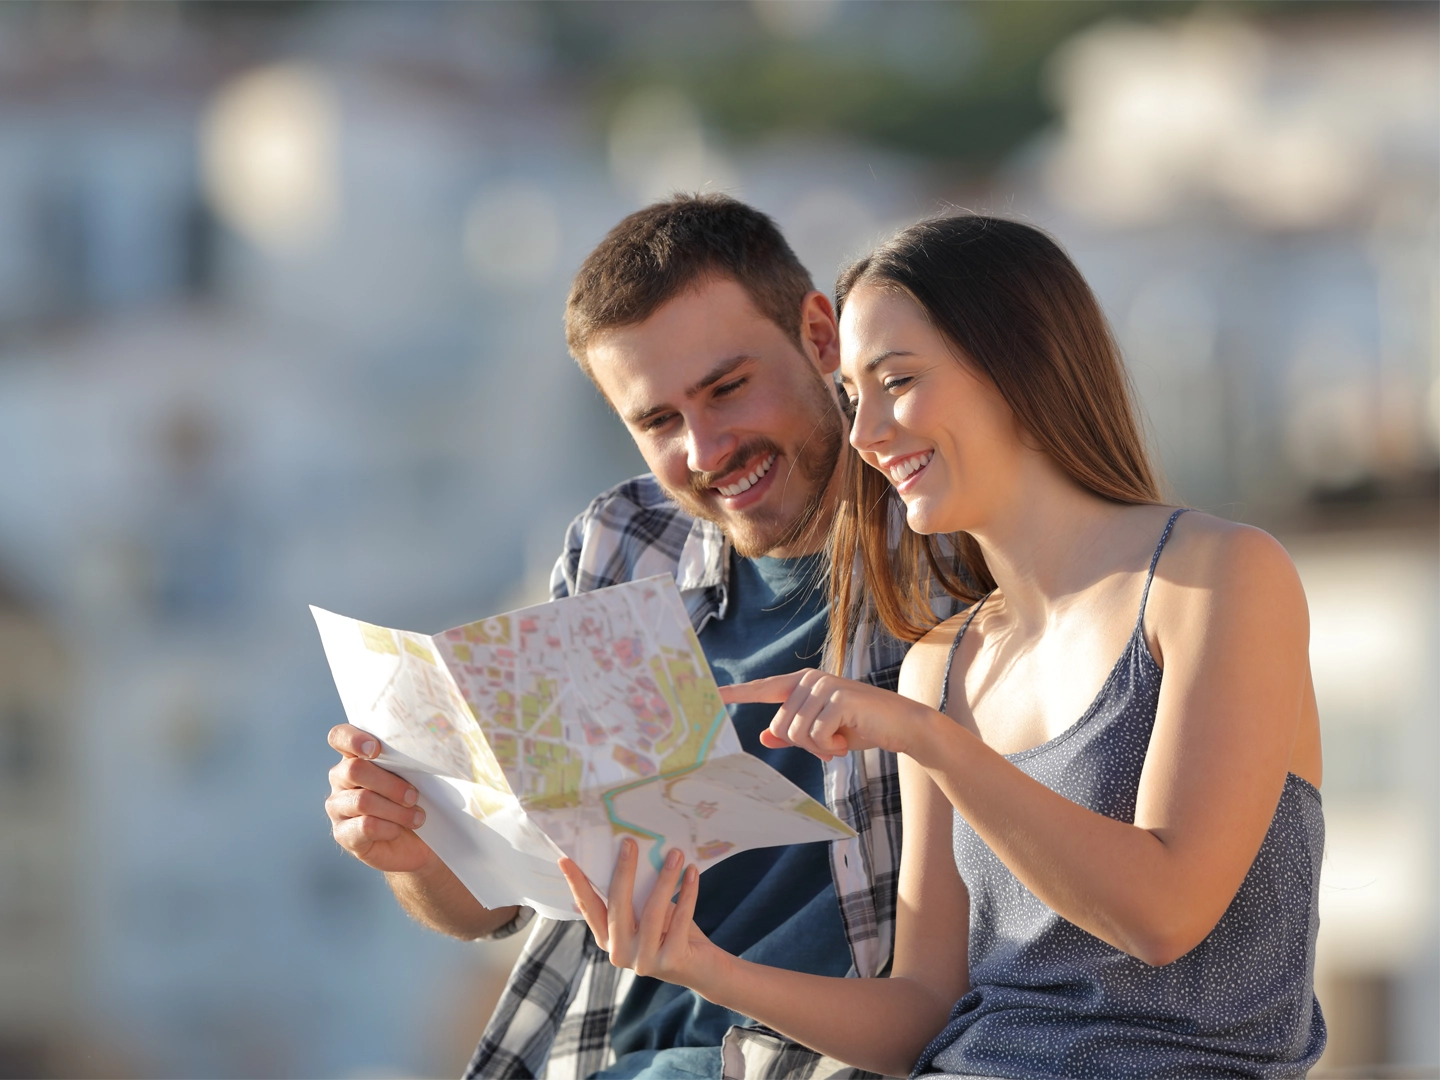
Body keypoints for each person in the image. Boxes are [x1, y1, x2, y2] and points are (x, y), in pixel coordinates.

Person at [561, 215, 1328, 1080]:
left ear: (1019, 360)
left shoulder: (1215, 577)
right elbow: (923, 1013)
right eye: (853, 395)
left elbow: (1165, 914)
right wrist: (699, 964)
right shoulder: (942, 662)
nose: (864, 434)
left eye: (896, 381)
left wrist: (932, 741)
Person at [324, 195, 958, 1080]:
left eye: (727, 389)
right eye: (658, 422)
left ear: (821, 337)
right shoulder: (621, 544)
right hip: (610, 1054)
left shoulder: (949, 538)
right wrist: (414, 853)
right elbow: (506, 905)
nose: (705, 450)